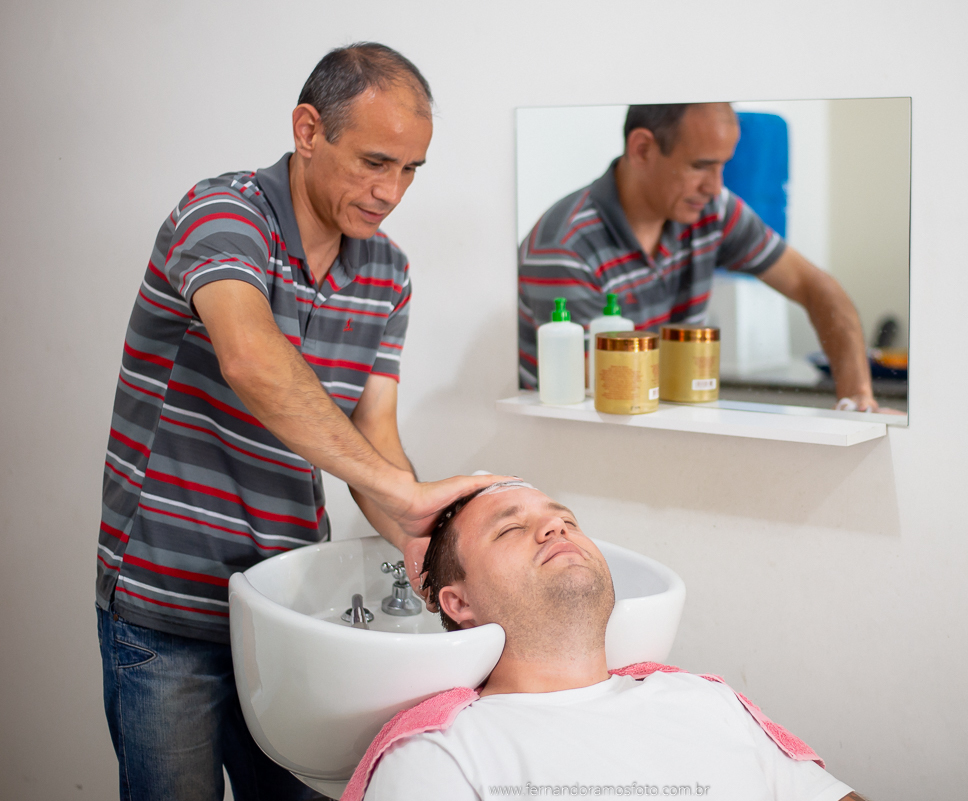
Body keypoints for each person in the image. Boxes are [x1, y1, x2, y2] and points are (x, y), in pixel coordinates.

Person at [94, 43, 506, 801]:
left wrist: (436, 542)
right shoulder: (222, 215)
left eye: (411, 170)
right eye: (375, 161)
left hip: (285, 605)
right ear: (309, 129)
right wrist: (399, 488)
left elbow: (374, 438)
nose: (391, 191)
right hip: (167, 604)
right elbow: (251, 357)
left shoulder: (387, 271)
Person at [355, 481, 870, 801]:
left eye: (566, 520)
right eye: (510, 529)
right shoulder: (442, 754)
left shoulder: (707, 700)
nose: (554, 527)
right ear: (458, 603)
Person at [518, 103, 885, 412]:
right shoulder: (565, 247)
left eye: (723, 165)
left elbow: (814, 285)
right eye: (700, 166)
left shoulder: (712, 210)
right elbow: (607, 391)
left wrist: (858, 400)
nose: (714, 186)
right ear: (643, 149)